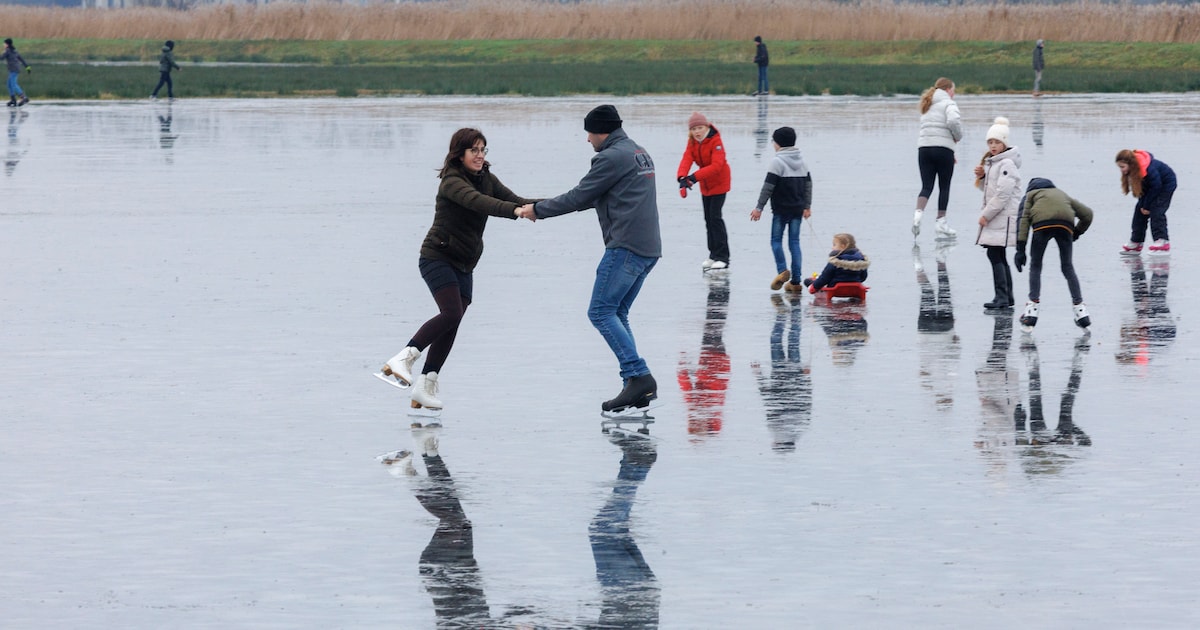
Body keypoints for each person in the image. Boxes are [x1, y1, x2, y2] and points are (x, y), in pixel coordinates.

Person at [516, 105, 662, 415]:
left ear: (601, 131)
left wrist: (538, 210)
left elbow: (581, 195)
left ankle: (639, 375)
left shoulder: (610, 157)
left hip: (625, 247)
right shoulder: (639, 152)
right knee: (616, 312)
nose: (587, 139)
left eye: (589, 133)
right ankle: (635, 384)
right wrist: (541, 203)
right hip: (648, 248)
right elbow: (598, 194)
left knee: (600, 311)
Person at [380, 128, 537, 413]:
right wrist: (515, 212)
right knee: (451, 313)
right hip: (437, 257)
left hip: (465, 263)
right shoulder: (452, 182)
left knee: (454, 319)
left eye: (483, 150)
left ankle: (426, 384)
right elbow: (480, 202)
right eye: (474, 150)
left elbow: (516, 200)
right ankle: (403, 359)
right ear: (460, 153)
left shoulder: (486, 178)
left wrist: (564, 203)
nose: (480, 156)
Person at [1014, 178, 1093, 331]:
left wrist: (1020, 249)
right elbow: (1087, 214)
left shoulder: (1030, 195)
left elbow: (1023, 220)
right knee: (1067, 267)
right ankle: (1081, 312)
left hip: (1041, 225)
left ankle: (1031, 312)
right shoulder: (1061, 194)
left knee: (1036, 266)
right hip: (1065, 223)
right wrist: (1075, 233)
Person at [751, 126, 812, 293]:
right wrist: (807, 206)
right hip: (797, 210)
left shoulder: (777, 162)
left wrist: (759, 208)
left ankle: (782, 271)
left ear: (778, 144)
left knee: (776, 241)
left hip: (780, 210)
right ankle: (796, 281)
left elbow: (768, 188)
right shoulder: (803, 162)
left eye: (773, 141)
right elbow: (808, 186)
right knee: (795, 243)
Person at [973, 116, 1021, 310]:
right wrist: (983, 176)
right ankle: (1006, 296)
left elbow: (1002, 195)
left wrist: (986, 215)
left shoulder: (1006, 164)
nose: (993, 146)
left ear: (1004, 143)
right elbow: (990, 190)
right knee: (997, 254)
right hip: (998, 217)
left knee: (995, 254)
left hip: (1003, 217)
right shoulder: (995, 163)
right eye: (990, 142)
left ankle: (1002, 296)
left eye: (997, 142)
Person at [676, 111, 732, 271]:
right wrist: (681, 177)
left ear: (706, 126)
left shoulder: (716, 141)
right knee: (708, 219)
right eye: (694, 129)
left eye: (700, 128)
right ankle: (713, 255)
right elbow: (687, 157)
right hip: (705, 185)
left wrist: (693, 178)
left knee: (715, 218)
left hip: (719, 183)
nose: (697, 132)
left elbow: (717, 166)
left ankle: (723, 257)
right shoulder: (693, 142)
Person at [913, 77, 962, 239]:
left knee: (926, 186)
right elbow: (954, 121)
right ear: (948, 90)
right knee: (944, 186)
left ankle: (917, 216)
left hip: (924, 149)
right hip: (943, 150)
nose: (954, 93)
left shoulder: (927, 105)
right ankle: (941, 222)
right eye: (953, 90)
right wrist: (957, 137)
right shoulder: (949, 104)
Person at [1115, 149, 1176, 255]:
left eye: (1122, 167)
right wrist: (1143, 205)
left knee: (1157, 211)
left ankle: (1162, 242)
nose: (1121, 170)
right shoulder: (1134, 170)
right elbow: (1142, 190)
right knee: (1139, 211)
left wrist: (1147, 206)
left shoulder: (1148, 169)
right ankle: (1136, 242)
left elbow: (1156, 187)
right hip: (1153, 187)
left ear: (1131, 164)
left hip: (1166, 185)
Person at [804, 232, 870, 293]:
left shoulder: (835, 261)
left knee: (808, 281)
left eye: (834, 245)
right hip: (855, 287)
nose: (832, 248)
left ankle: (815, 287)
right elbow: (863, 277)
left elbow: (825, 277)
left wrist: (814, 287)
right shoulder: (861, 261)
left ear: (843, 246)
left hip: (834, 288)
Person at [2, 39, 30, 107]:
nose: (3, 45)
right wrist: (27, 67)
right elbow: (21, 59)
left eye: (4, 43)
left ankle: (24, 98)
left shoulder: (8, 51)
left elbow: (1, 58)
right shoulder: (14, 51)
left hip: (14, 70)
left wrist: (27, 67)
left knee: (13, 84)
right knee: (9, 84)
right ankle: (13, 99)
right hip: (15, 69)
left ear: (7, 44)